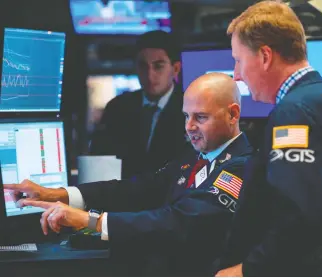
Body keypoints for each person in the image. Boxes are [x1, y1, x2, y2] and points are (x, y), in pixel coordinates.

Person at [6, 73, 253, 276]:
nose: (189, 127)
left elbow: (177, 223)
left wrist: (88, 221)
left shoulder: (242, 167)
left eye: (201, 117)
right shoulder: (196, 157)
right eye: (186, 116)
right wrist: (57, 194)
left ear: (233, 114)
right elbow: (138, 189)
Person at [215, 1, 322, 276]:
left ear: (265, 56)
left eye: (238, 60)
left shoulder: (294, 112)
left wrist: (247, 270)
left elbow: (300, 216)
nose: (236, 75)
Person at [90, 30, 189, 178]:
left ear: (175, 69)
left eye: (158, 66)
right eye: (143, 66)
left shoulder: (190, 109)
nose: (150, 75)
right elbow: (98, 160)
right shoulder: (117, 108)